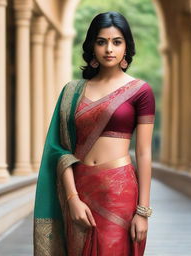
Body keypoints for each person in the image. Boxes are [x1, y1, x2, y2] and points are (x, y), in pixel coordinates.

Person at [33, 11, 155, 256]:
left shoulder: (140, 91)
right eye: (101, 42)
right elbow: (60, 150)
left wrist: (142, 212)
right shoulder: (72, 91)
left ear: (126, 48)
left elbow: (143, 153)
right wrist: (71, 197)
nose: (109, 49)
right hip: (79, 188)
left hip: (118, 194)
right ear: (92, 47)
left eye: (116, 42)